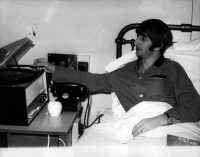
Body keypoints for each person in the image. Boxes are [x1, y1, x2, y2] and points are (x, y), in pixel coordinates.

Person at [34, 19, 200, 137]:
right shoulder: (125, 71)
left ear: (158, 46)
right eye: (137, 37)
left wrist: (162, 119)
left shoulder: (172, 69)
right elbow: (93, 80)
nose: (136, 42)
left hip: (167, 128)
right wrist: (54, 69)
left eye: (143, 39)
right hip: (133, 129)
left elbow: (194, 106)